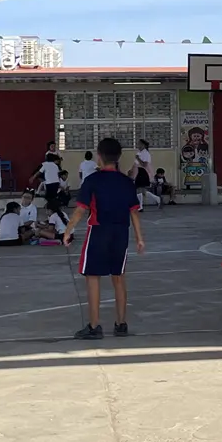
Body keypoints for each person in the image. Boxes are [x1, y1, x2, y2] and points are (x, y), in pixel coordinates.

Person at [63, 137, 146, 340]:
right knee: (118, 277)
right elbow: (134, 212)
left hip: (99, 232)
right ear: (118, 157)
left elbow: (80, 210)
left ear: (99, 156)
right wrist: (139, 238)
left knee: (93, 277)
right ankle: (121, 323)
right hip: (121, 233)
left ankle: (94, 326)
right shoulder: (127, 183)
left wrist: (68, 231)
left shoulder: (92, 180)